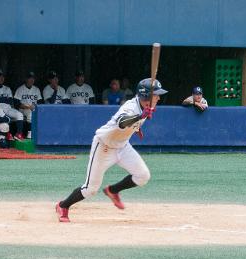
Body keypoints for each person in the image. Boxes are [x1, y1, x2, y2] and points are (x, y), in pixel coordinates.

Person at [55, 78, 168, 222]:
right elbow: (122, 122)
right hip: (104, 146)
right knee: (91, 189)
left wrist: (137, 127)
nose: (158, 97)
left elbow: (131, 124)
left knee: (143, 175)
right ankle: (63, 206)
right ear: (146, 96)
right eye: (156, 95)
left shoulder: (145, 106)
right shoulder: (131, 107)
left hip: (122, 146)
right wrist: (140, 117)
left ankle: (113, 190)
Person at [0, 69, 25, 140]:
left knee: (19, 115)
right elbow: (6, 100)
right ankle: (8, 134)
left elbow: (10, 101)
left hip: (8, 108)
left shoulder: (7, 88)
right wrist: (4, 99)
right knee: (4, 118)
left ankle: (18, 134)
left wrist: (0, 99)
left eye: (3, 76)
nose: (2, 78)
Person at [14, 71, 43, 139]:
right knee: (31, 113)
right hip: (23, 109)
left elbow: (40, 102)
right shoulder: (20, 89)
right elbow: (16, 103)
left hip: (33, 108)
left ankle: (37, 134)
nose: (32, 80)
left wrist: (34, 106)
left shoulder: (36, 89)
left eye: (33, 78)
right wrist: (27, 107)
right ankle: (30, 133)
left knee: (34, 113)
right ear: (26, 79)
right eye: (30, 78)